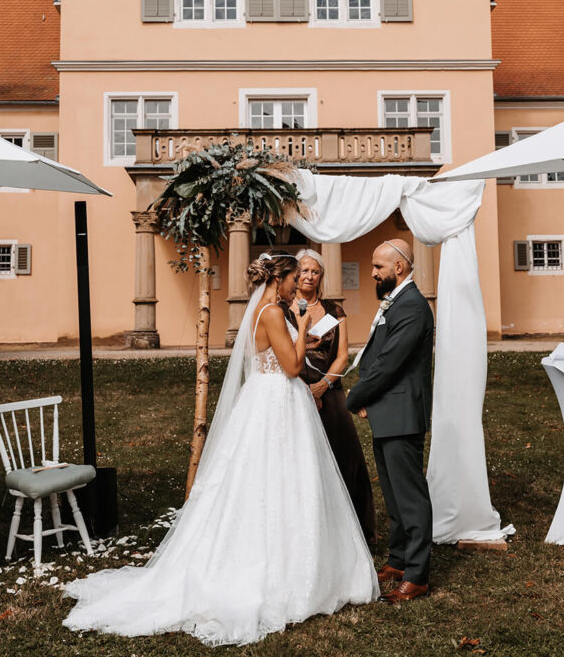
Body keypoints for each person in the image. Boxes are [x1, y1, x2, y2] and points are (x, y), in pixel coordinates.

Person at [63, 251, 379, 645]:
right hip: (278, 401)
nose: (299, 282)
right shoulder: (273, 313)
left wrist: (300, 334)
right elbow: (294, 368)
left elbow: (276, 356)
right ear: (279, 280)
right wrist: (300, 326)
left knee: (276, 478)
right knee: (279, 478)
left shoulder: (264, 311)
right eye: (295, 277)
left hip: (269, 400)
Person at [345, 239, 434, 604]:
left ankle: (416, 576)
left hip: (401, 414)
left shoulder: (412, 306)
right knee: (394, 497)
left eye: (377, 267)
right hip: (388, 411)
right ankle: (398, 561)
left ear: (398, 267)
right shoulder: (397, 301)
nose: (372, 274)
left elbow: (389, 363)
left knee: (410, 499)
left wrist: (355, 396)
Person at [285, 248, 377, 546]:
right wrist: (304, 389)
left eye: (315, 271)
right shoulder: (283, 309)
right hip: (295, 388)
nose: (309, 276)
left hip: (330, 391)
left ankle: (356, 531)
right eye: (304, 270)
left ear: (321, 276)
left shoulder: (335, 311)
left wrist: (323, 386)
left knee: (345, 458)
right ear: (294, 274)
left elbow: (342, 355)